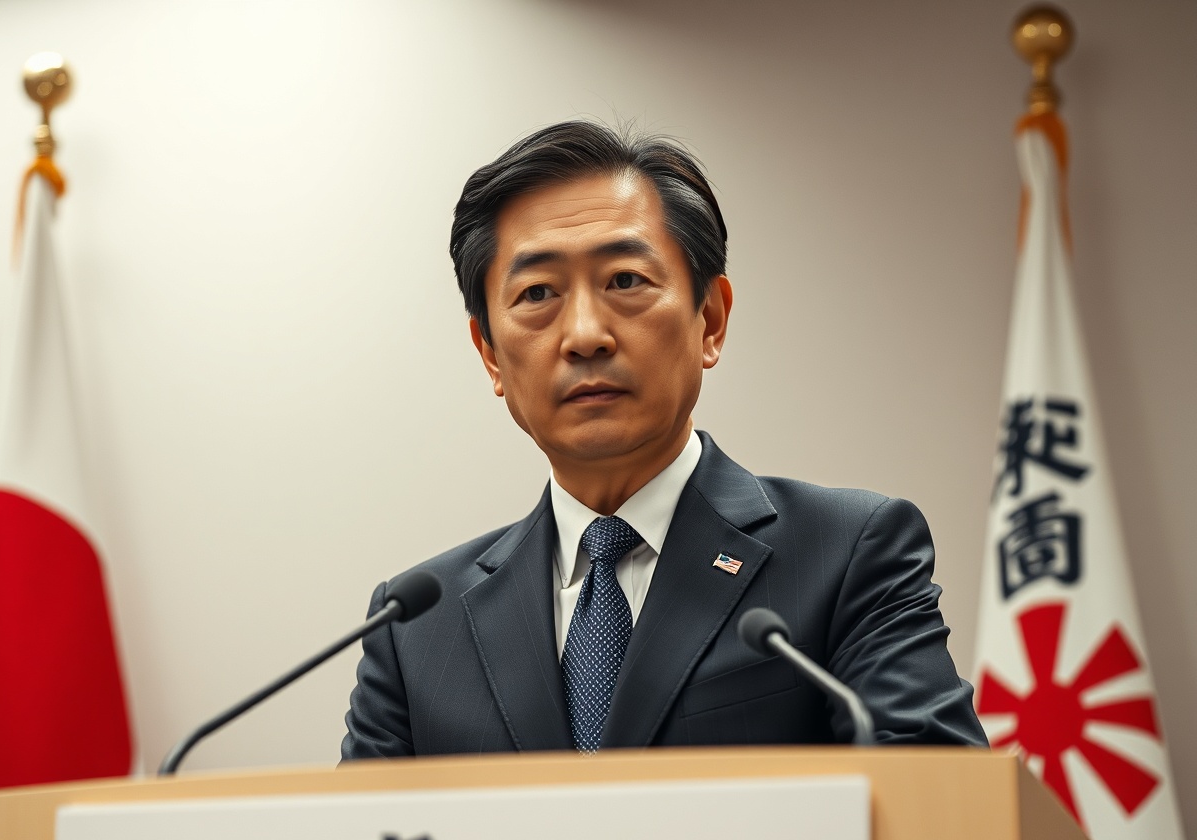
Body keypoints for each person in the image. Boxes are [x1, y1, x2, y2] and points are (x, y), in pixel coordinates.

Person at [341, 121, 986, 758]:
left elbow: (941, 801)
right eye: (537, 293)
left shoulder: (845, 555)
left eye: (625, 281)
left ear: (711, 319)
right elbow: (357, 827)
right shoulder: (413, 626)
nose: (585, 335)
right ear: (489, 354)